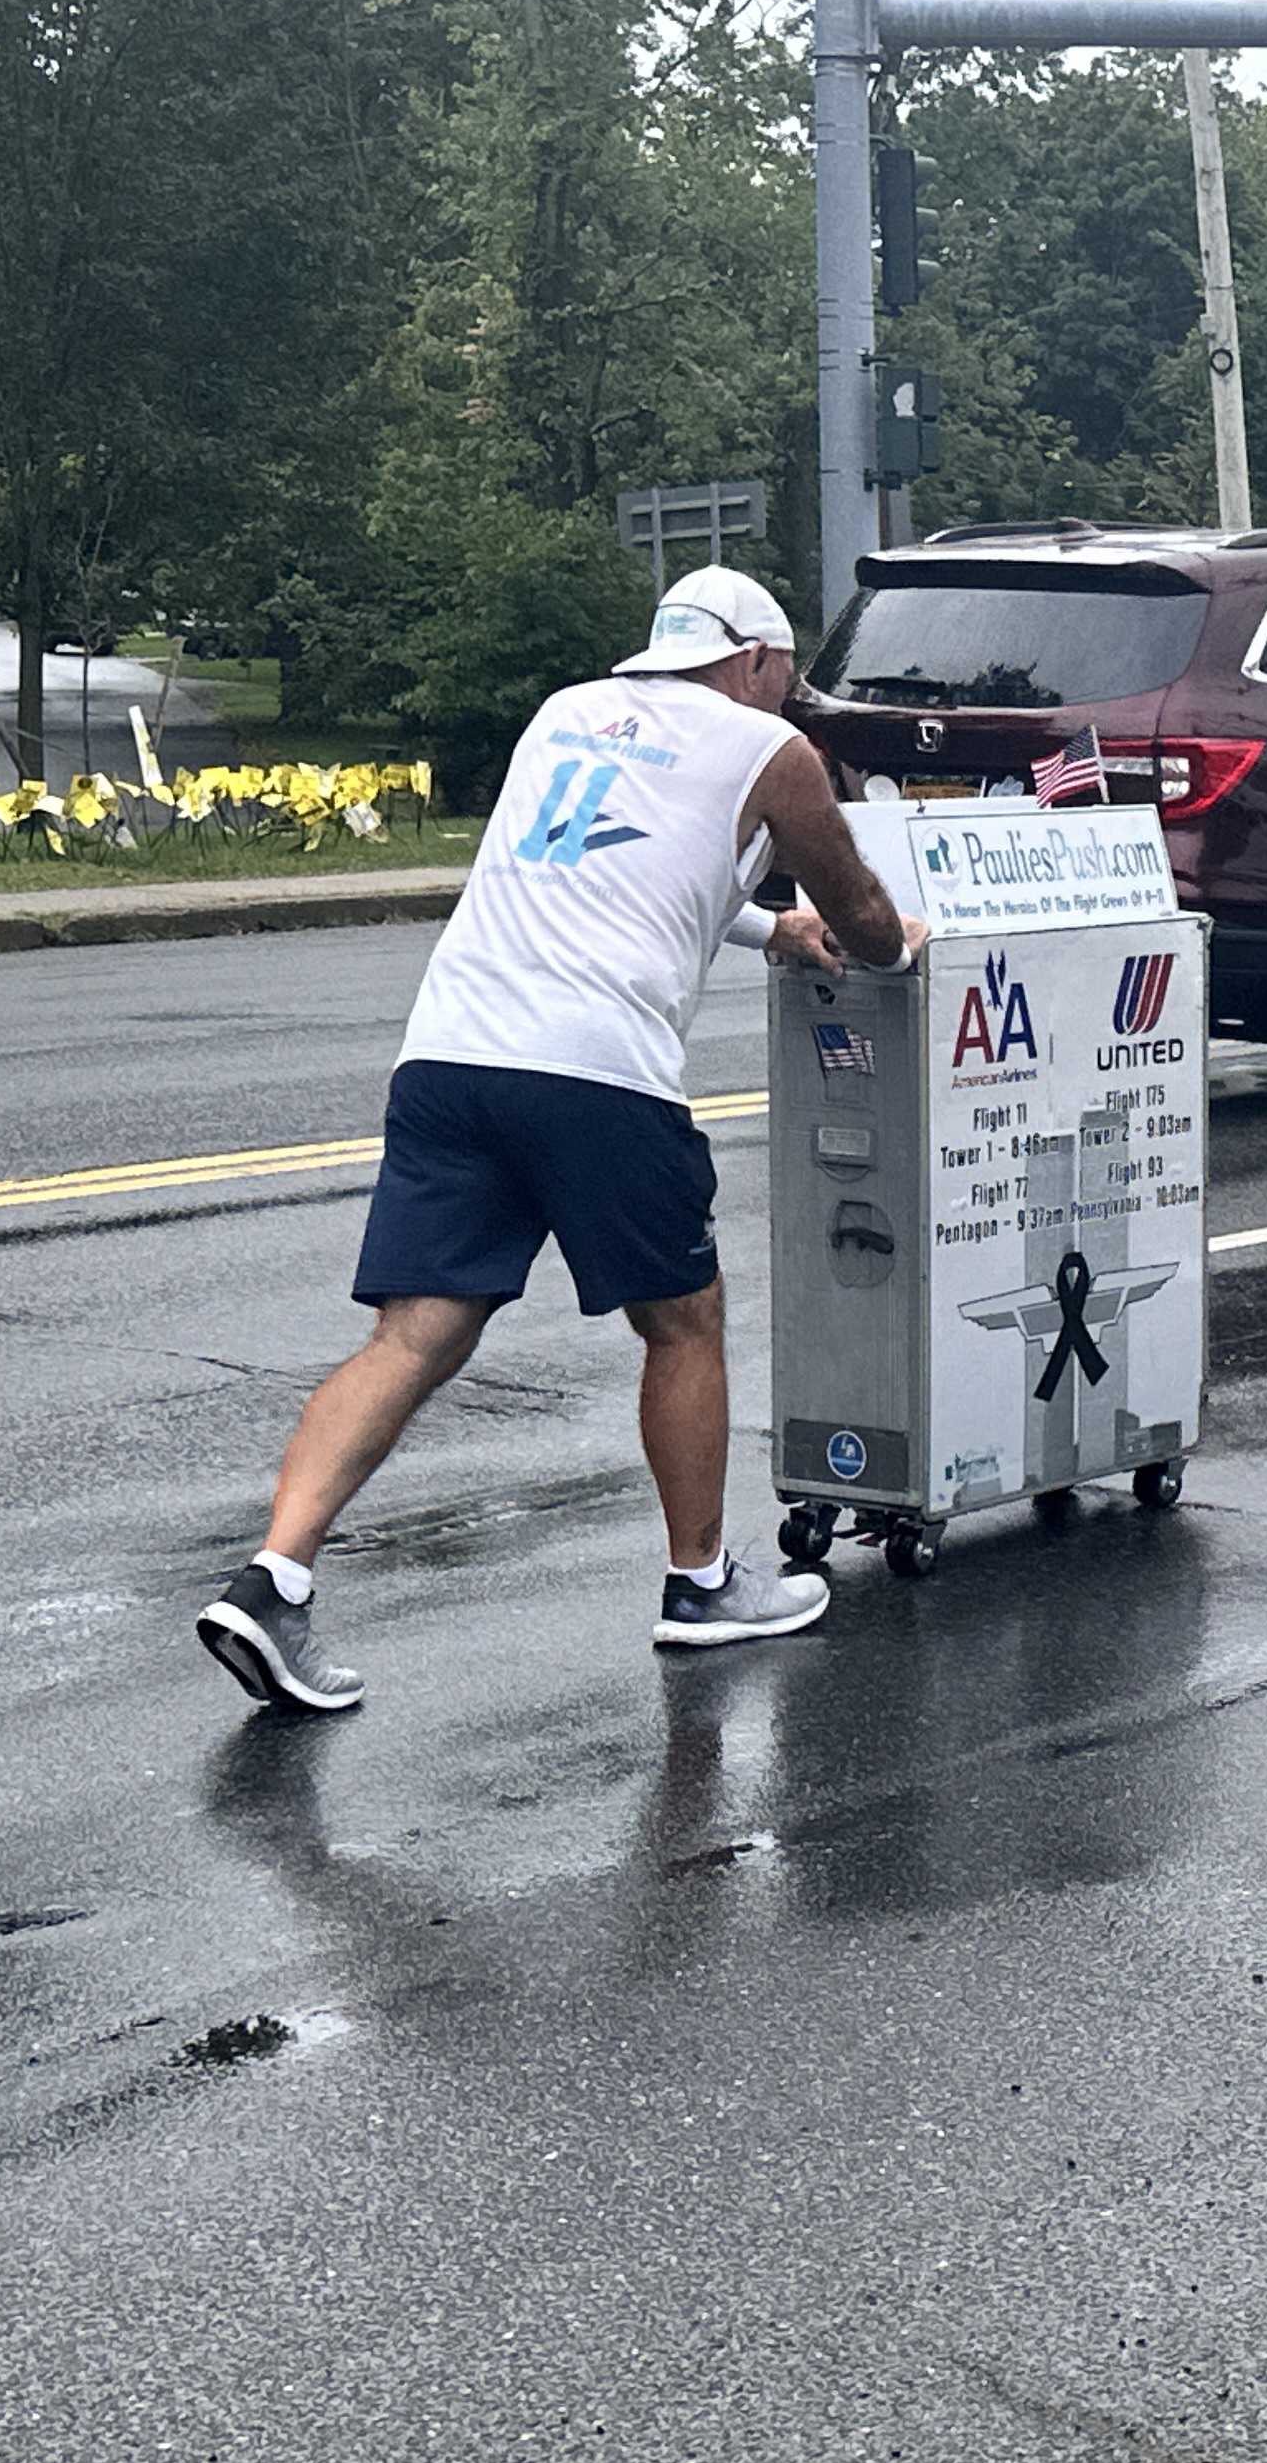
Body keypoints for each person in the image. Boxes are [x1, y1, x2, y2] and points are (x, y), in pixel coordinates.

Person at [197, 565, 924, 1712]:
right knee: (682, 1321)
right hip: (596, 1072)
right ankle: (701, 1586)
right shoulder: (769, 753)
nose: (791, 697)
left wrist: (766, 930)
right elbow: (867, 918)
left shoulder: (566, 713)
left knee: (414, 1333)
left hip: (452, 1054)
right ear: (752, 662)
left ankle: (274, 1577)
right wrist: (887, 940)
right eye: (787, 676)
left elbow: (613, 861)